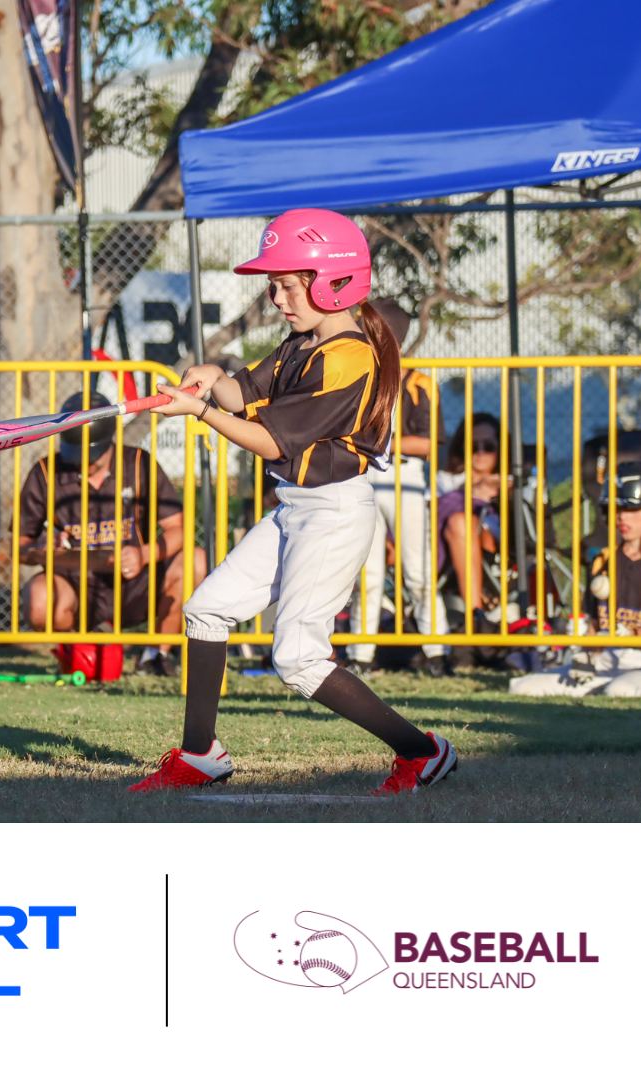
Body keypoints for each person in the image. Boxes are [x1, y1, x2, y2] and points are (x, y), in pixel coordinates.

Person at [128, 208, 458, 796]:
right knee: (207, 611)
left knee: (299, 657)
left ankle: (423, 753)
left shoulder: (349, 355)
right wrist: (208, 379)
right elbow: (246, 393)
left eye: (286, 283)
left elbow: (270, 438)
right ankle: (200, 755)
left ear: (333, 280)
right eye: (274, 284)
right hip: (298, 505)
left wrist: (200, 412)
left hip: (332, 512)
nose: (277, 296)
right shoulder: (305, 341)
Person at [16, 391, 206, 677]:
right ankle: (75, 654)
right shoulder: (45, 471)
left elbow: (179, 529)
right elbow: (20, 547)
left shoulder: (139, 463)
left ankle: (155, 657)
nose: (83, 462)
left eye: (91, 456)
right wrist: (41, 547)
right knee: (38, 597)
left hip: (137, 582)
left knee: (196, 560)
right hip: (75, 586)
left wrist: (144, 554)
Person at [509, 460, 641, 697]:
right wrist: (583, 646)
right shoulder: (603, 559)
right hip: (605, 661)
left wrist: (630, 635)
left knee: (619, 691)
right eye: (616, 509)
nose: (622, 517)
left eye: (631, 509)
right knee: (522, 688)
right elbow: (594, 626)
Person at [346, 299, 451, 677]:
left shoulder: (419, 382)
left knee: (418, 569)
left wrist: (382, 441)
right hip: (365, 476)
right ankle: (360, 655)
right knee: (368, 572)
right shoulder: (359, 376)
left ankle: (437, 652)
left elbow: (430, 442)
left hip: (404, 478)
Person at [435, 413, 505, 620]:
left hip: (491, 540)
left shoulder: (510, 481)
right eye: (474, 445)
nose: (481, 452)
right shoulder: (446, 479)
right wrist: (471, 492)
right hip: (442, 538)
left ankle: (475, 616)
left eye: (489, 446)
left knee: (461, 522)